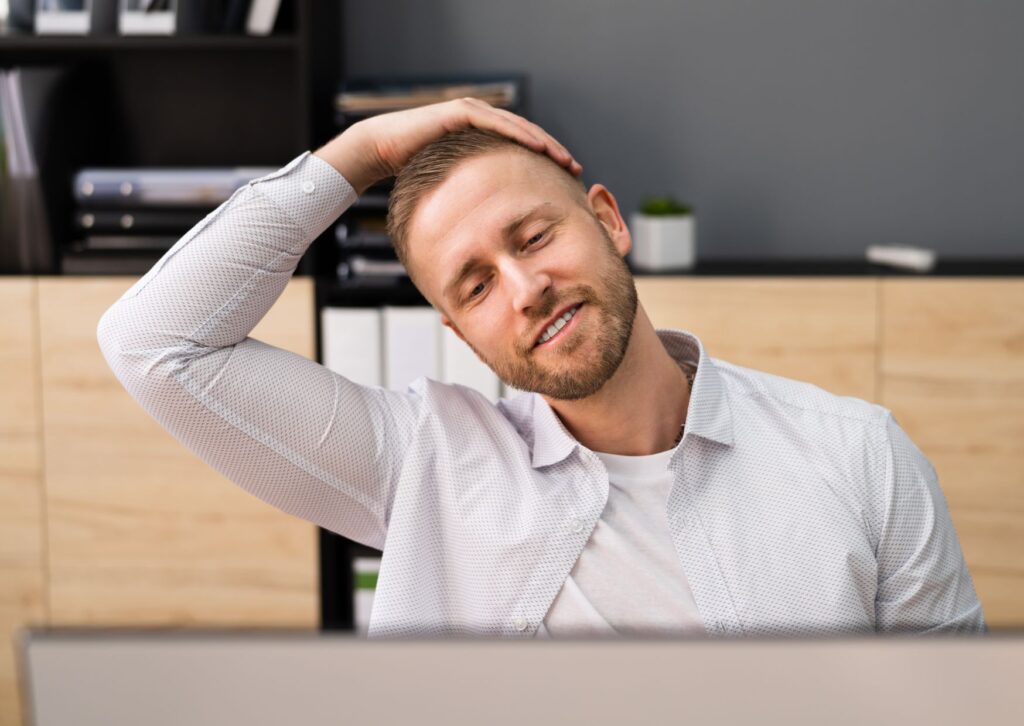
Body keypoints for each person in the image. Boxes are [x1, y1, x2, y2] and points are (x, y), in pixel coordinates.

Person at [97, 98, 985, 639]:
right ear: (458, 330)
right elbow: (156, 343)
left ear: (608, 220)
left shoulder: (861, 456)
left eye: (534, 238)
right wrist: (360, 153)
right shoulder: (420, 463)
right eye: (476, 284)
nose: (524, 289)